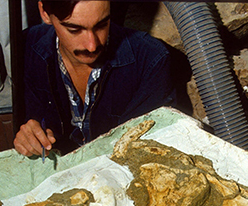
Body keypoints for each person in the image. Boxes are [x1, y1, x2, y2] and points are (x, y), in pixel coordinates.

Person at [14, 0, 181, 157]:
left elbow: (149, 149)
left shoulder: (150, 59)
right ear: (44, 13)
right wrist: (30, 136)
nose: (91, 45)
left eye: (101, 25)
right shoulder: (27, 46)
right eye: (74, 30)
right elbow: (35, 117)